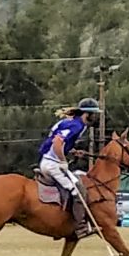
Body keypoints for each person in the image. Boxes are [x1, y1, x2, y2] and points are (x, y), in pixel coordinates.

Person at [38, 97, 100, 236]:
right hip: (52, 164)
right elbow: (57, 143)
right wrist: (62, 161)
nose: (96, 117)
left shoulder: (74, 123)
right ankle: (80, 227)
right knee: (77, 190)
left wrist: (71, 151)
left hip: (49, 161)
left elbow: (61, 144)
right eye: (94, 114)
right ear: (86, 114)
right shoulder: (76, 125)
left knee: (77, 186)